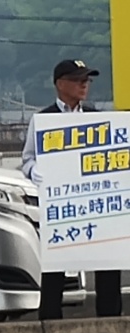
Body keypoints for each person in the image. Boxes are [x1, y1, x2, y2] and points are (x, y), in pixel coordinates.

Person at [21, 59, 121, 319]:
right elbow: (27, 159)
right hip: (62, 204)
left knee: (107, 261)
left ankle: (110, 321)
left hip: (95, 202)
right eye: (78, 80)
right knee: (56, 265)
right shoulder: (43, 119)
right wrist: (34, 170)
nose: (84, 85)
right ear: (60, 84)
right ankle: (49, 322)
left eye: (87, 80)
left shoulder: (97, 117)